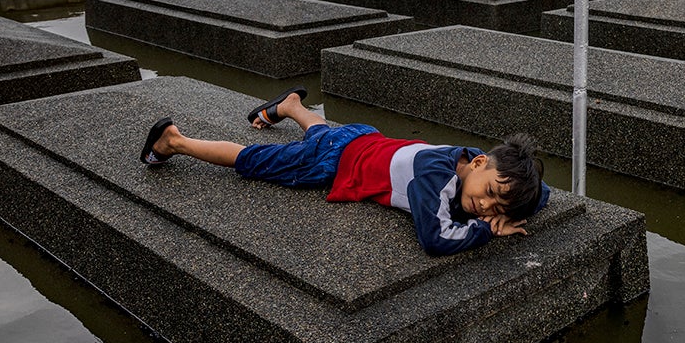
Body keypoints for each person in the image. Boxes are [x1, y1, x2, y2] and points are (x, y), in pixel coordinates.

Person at [139, 87, 549, 257]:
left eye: (495, 206)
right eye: (491, 193)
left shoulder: (474, 158)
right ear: (479, 165)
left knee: (321, 135)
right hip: (333, 164)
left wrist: (518, 204)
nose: (485, 205)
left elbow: (539, 192)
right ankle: (174, 141)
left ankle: (290, 105)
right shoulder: (434, 178)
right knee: (253, 160)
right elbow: (434, 237)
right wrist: (486, 230)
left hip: (360, 138)